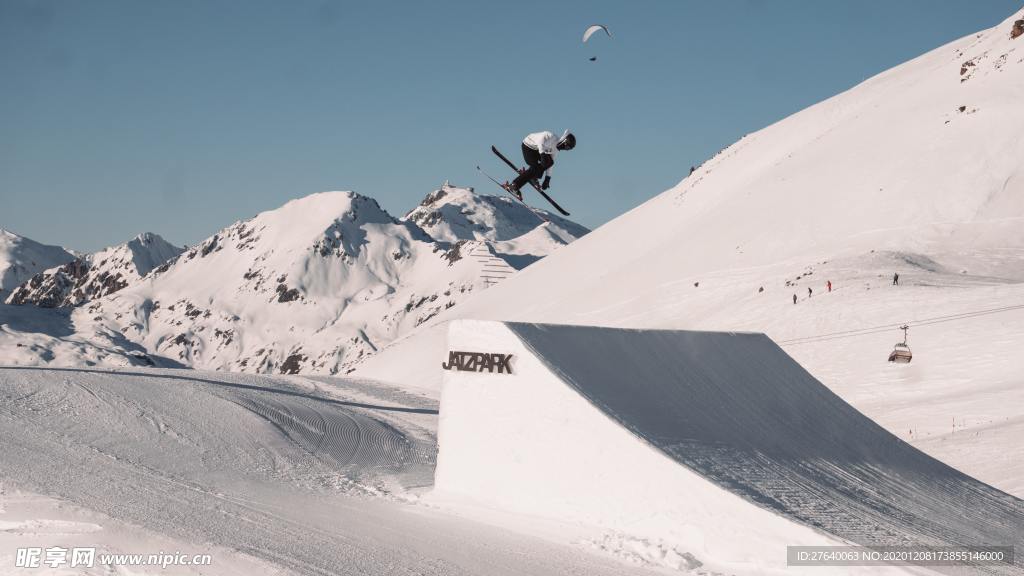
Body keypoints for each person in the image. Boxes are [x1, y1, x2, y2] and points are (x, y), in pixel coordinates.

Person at [504, 130, 576, 198]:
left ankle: (532, 175)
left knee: (549, 163)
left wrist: (547, 178)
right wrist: (542, 155)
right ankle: (514, 186)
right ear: (564, 141)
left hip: (537, 151)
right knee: (535, 168)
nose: (566, 149)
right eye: (567, 147)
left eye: (568, 149)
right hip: (528, 147)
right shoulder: (551, 136)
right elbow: (540, 142)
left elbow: (550, 164)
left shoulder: (556, 150)